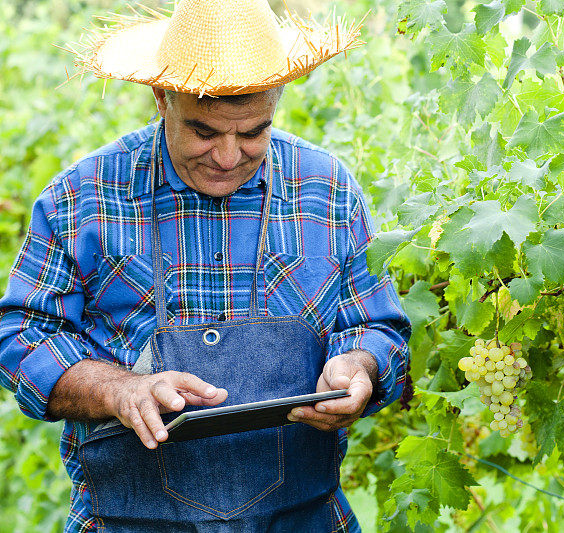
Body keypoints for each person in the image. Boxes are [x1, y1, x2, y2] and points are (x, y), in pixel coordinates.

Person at [0, 0, 410, 531]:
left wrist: (362, 367)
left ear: (276, 103)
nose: (227, 156)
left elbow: (379, 327)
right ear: (160, 98)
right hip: (128, 522)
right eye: (204, 132)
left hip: (303, 520)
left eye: (253, 132)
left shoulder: (327, 189)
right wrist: (121, 391)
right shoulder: (84, 197)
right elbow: (20, 336)